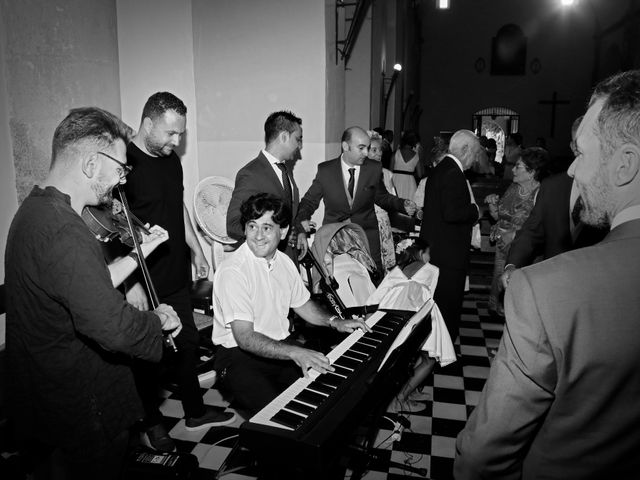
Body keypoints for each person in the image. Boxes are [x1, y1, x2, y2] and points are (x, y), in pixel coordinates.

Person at [455, 69, 640, 479]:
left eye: (582, 154)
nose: (572, 170)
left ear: (625, 163)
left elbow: (483, 456)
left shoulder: (549, 291)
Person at [4, 107, 182, 479]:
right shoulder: (65, 231)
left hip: (47, 394)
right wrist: (159, 321)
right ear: (89, 164)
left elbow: (85, 281)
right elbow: (113, 326)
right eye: (120, 168)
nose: (121, 181)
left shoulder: (36, 211)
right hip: (80, 402)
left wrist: (138, 254)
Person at [124, 92, 236, 452]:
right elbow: (114, 228)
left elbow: (177, 208)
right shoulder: (124, 162)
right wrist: (129, 283)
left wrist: (196, 248)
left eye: (181, 135)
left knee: (187, 344)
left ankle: (194, 411)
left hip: (175, 274)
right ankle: (153, 423)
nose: (177, 142)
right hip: (143, 279)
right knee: (148, 356)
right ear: (147, 124)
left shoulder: (171, 161)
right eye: (171, 134)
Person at [212, 193, 370, 416]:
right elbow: (245, 337)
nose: (258, 236)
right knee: (280, 418)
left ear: (283, 231)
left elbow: (303, 304)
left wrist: (335, 322)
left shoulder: (284, 262)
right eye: (252, 226)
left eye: (266, 227)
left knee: (322, 398)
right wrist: (296, 352)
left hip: (279, 345)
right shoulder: (233, 271)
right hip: (239, 355)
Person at [499, 118, 607, 289]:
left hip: (597, 284)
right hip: (553, 281)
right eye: (578, 146)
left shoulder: (615, 188)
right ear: (572, 146)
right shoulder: (553, 186)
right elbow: (532, 230)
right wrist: (512, 265)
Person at [297, 126, 416, 276]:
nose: (366, 153)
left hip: (367, 238)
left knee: (372, 282)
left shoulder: (373, 168)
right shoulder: (326, 171)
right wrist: (302, 221)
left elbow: (381, 197)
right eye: (361, 148)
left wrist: (402, 204)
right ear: (345, 146)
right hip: (335, 238)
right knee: (340, 285)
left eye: (367, 148)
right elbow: (309, 201)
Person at [418, 129, 481, 341]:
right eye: (475, 152)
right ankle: (444, 354)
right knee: (448, 308)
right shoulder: (453, 173)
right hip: (449, 255)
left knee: (439, 306)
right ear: (465, 150)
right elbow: (453, 213)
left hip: (437, 251)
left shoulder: (441, 169)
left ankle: (435, 349)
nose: (476, 158)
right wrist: (475, 210)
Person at [226, 110, 307, 263]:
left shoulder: (284, 169)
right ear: (284, 136)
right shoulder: (250, 174)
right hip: (264, 263)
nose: (300, 146)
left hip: (288, 260)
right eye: (298, 139)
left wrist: (299, 231)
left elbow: (289, 212)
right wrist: (271, 234)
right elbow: (233, 223)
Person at [484, 147, 549, 317]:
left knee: (519, 284)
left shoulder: (541, 193)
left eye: (518, 167)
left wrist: (513, 234)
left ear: (531, 172)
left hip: (525, 249)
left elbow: (539, 227)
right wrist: (492, 205)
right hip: (502, 245)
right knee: (500, 278)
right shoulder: (513, 188)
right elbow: (500, 215)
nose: (512, 169)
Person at [387, 238, 437, 413]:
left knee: (416, 358)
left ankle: (409, 391)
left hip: (397, 320)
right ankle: (398, 400)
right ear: (421, 254)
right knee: (430, 359)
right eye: (428, 253)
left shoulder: (397, 270)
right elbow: (427, 298)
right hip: (416, 320)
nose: (430, 257)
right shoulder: (427, 271)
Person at [368, 130, 396, 272]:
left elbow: (390, 198)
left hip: (383, 224)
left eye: (380, 150)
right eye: (374, 150)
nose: (379, 153)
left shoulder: (386, 173)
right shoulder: (359, 173)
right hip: (369, 224)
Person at [391, 130, 424, 201]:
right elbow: (420, 174)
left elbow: (389, 173)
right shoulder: (416, 156)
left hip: (396, 181)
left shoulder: (395, 153)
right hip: (410, 184)